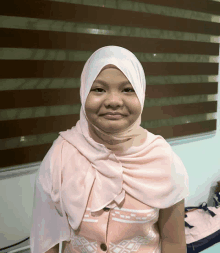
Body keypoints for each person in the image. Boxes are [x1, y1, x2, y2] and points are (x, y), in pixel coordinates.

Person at [30, 46, 189, 253]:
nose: (113, 101)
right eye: (99, 89)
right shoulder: (61, 154)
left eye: (127, 89)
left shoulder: (162, 159)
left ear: (141, 93)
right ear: (83, 91)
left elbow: (174, 242)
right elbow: (47, 240)